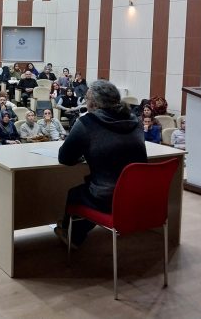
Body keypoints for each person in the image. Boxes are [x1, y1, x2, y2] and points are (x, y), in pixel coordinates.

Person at [56, 80, 147, 247]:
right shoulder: (135, 120)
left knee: (76, 193)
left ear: (94, 103)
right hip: (138, 193)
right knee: (94, 187)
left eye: (86, 98)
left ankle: (72, 237)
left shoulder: (87, 122)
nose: (85, 101)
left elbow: (65, 158)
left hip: (108, 197)